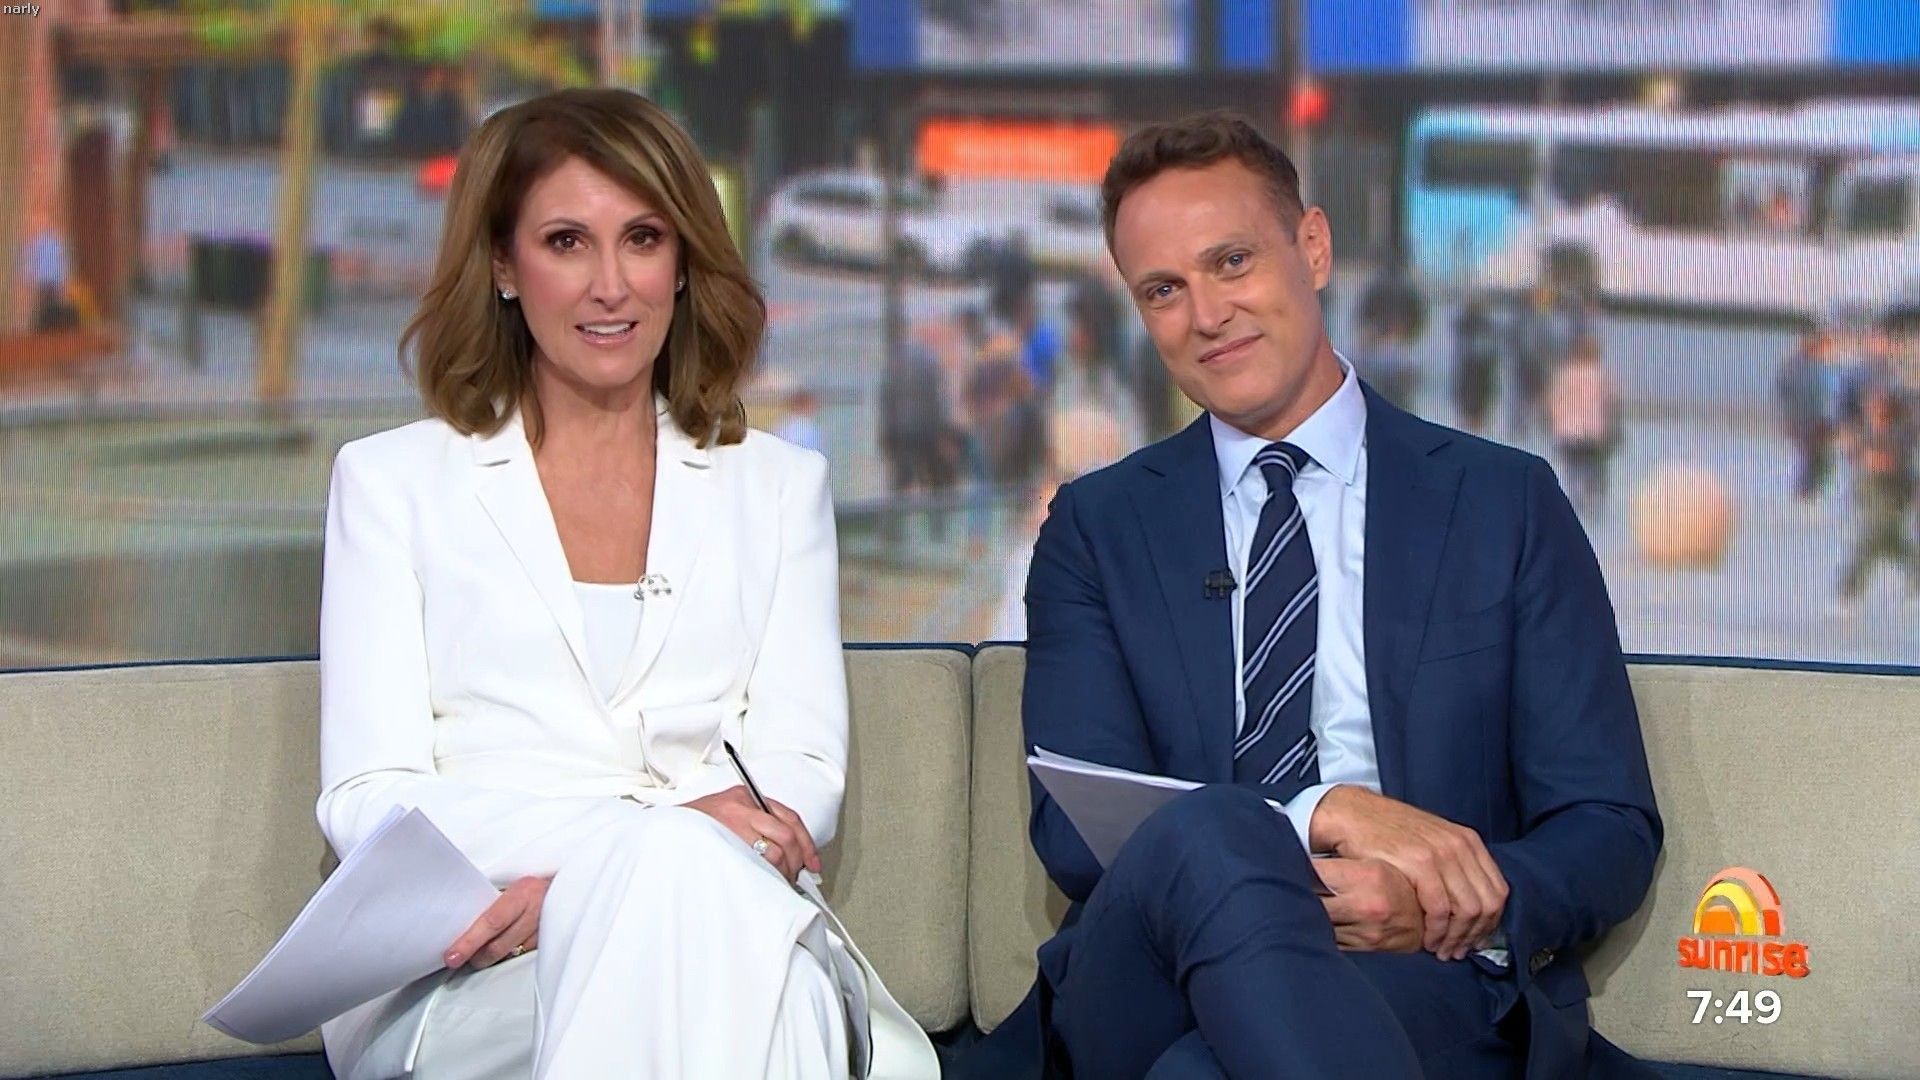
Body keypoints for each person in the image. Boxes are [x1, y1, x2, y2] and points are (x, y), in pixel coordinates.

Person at [1012, 112, 1661, 1078]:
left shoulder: (1502, 502)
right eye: (1164, 290)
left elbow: (1607, 825)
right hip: (1147, 978)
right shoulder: (1096, 529)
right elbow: (1076, 832)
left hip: (1413, 968)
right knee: (1205, 835)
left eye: (1232, 261)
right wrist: (1324, 813)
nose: (1207, 314)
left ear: (1312, 247)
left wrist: (1440, 903)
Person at [314, 88, 936, 1080]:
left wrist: (615, 879)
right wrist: (628, 859)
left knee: (730, 968)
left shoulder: (779, 488)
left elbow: (802, 776)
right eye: (567, 242)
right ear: (504, 266)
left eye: (642, 239)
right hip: (484, 953)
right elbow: (369, 801)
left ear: (682, 262)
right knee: (757, 1010)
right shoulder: (392, 484)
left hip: (726, 919)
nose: (611, 286)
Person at [1548, 335, 1620, 519]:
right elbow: (1611, 404)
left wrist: (1557, 426)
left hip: (1569, 432)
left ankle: (1574, 505)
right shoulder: (1601, 376)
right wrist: (1611, 429)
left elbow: (1555, 403)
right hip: (1593, 433)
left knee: (1573, 470)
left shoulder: (1565, 374)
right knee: (1594, 470)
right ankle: (1593, 503)